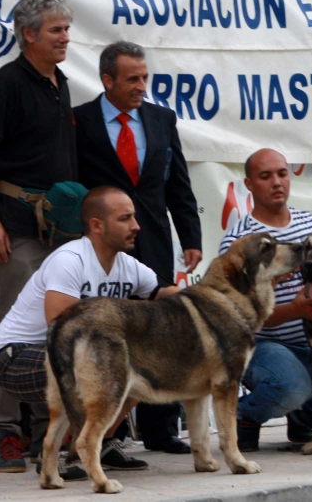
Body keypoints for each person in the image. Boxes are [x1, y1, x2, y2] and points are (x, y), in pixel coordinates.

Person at [0, 186, 181, 480]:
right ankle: (57, 457)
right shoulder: (70, 260)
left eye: (134, 217)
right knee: (94, 369)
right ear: (97, 225)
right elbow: (61, 329)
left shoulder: (127, 265)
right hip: (14, 358)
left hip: (65, 356)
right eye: (126, 218)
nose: (136, 226)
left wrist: (207, 299)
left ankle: (100, 443)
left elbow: (170, 295)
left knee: (142, 370)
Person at [0, 0, 77, 473]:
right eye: (56, 30)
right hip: (16, 229)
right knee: (14, 329)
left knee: (62, 327)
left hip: (60, 231)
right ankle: (3, 433)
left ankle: (43, 433)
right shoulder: (6, 84)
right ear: (29, 34)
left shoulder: (60, 82)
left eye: (67, 29)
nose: (65, 38)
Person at [74, 41, 202, 454]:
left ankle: (160, 430)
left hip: (154, 242)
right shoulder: (80, 121)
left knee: (160, 329)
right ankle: (106, 434)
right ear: (107, 80)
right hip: (103, 246)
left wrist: (191, 238)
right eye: (132, 78)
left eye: (144, 77)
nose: (141, 86)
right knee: (107, 331)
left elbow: (177, 183)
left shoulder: (162, 118)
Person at [219, 148, 312, 451]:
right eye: (265, 176)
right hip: (262, 347)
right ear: (249, 184)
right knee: (290, 386)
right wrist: (295, 309)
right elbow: (237, 318)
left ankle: (300, 413)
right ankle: (243, 416)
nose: (277, 182)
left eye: (282, 174)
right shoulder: (239, 241)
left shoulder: (310, 225)